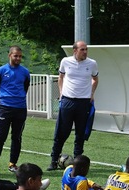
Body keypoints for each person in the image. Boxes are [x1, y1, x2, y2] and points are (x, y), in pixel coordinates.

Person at [47, 40, 99, 171]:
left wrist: (91, 93)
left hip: (83, 102)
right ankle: (53, 160)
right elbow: (61, 77)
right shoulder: (65, 61)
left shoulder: (92, 63)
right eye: (82, 49)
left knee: (80, 134)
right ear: (75, 50)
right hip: (67, 101)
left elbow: (95, 79)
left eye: (86, 49)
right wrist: (61, 93)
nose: (85, 52)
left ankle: (78, 162)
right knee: (61, 132)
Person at [0, 45, 30, 176]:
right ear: (9, 55)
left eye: (20, 56)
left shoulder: (25, 72)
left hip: (20, 109)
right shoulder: (1, 71)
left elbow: (25, 87)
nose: (18, 58)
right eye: (16, 56)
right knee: (0, 137)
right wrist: (2, 106)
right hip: (5, 108)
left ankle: (12, 165)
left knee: (17, 137)